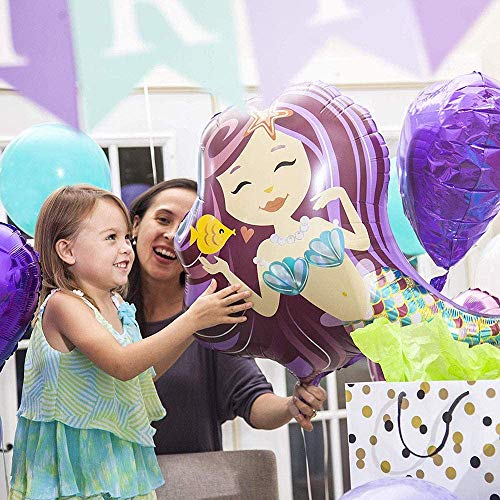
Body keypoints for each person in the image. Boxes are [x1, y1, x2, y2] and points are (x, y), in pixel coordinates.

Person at [9, 185, 251, 500]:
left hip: (115, 464)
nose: (125, 248)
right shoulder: (63, 305)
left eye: (126, 237)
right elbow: (122, 364)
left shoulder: (118, 307)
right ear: (67, 251)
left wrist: (196, 327)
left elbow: (142, 374)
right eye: (111, 238)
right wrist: (191, 318)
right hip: (75, 473)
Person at [127, 179, 327, 454]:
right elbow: (116, 388)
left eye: (188, 228)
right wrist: (191, 322)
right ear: (135, 225)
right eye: (163, 219)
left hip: (194, 489)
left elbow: (253, 400)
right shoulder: (105, 309)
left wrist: (291, 406)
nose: (173, 235)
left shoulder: (212, 315)